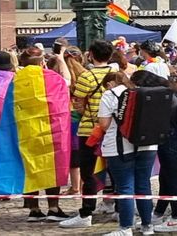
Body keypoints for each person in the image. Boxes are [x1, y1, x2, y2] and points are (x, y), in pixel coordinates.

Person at [95, 71, 160, 236]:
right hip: (147, 145)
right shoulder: (142, 92)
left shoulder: (109, 95)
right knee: (144, 185)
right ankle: (147, 226)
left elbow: (103, 124)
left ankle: (125, 228)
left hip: (118, 147)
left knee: (125, 187)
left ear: (110, 84)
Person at [60, 40, 114, 230]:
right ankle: (117, 207)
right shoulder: (117, 75)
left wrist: (88, 114)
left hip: (90, 130)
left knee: (88, 172)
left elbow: (78, 102)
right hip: (113, 131)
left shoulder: (87, 76)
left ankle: (86, 212)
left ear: (90, 54)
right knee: (115, 171)